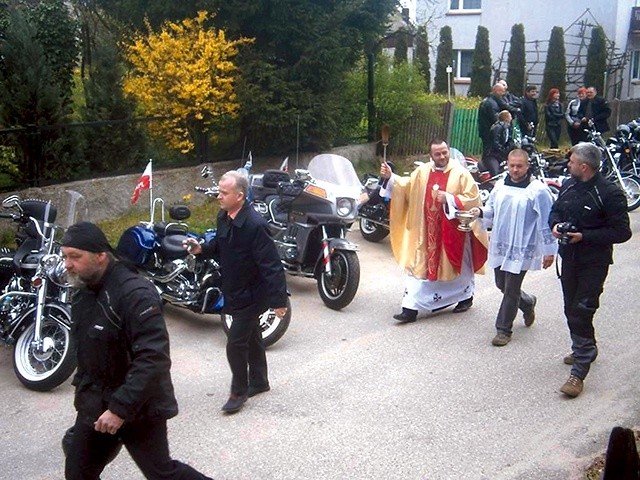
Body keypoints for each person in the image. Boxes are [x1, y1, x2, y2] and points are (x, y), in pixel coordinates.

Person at [61, 222, 212, 480]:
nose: (67, 264)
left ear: (101, 256)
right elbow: (88, 353)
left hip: (139, 407)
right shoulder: (84, 292)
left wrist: (119, 409)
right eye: (65, 256)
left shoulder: (136, 294)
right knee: (78, 473)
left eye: (75, 257)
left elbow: (153, 359)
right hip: (96, 404)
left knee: (161, 472)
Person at [184, 170, 288, 413]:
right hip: (233, 289)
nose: (218, 196)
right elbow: (221, 245)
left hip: (252, 294)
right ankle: (260, 381)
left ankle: (238, 392)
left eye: (223, 193)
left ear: (239, 196)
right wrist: (202, 249)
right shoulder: (225, 216)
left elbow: (271, 266)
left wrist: (278, 301)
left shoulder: (255, 225)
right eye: (219, 191)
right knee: (252, 337)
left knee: (235, 344)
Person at [549, 142, 631, 397]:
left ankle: (579, 372)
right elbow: (555, 211)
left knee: (582, 309)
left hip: (594, 262)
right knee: (570, 307)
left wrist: (584, 236)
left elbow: (622, 232)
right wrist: (555, 226)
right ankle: (585, 346)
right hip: (569, 259)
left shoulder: (610, 193)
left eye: (572, 161)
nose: (568, 164)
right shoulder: (569, 184)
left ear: (584, 166)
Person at [379, 139, 488, 323]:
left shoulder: (460, 173)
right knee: (419, 267)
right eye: (437, 154)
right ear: (431, 156)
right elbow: (406, 187)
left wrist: (451, 199)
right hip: (425, 231)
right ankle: (410, 308)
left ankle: (465, 297)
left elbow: (473, 199)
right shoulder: (422, 172)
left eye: (445, 152)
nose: (442, 156)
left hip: (453, 231)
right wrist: (391, 177)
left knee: (458, 267)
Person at [469, 149, 557, 346]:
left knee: (511, 288)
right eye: (512, 166)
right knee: (502, 284)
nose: (515, 170)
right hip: (501, 242)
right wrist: (480, 211)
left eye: (520, 166)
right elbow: (492, 208)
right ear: (506, 165)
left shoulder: (538, 190)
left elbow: (547, 220)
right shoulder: (500, 185)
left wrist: (549, 250)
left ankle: (503, 330)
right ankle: (527, 302)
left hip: (523, 245)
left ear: (527, 166)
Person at [482, 110, 515, 177]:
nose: (511, 118)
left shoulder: (507, 127)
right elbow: (495, 143)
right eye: (510, 116)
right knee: (495, 174)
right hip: (492, 155)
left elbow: (508, 140)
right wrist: (503, 150)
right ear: (506, 117)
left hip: (500, 155)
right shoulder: (497, 127)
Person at [478, 83, 508, 159]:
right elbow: (495, 118)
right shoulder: (492, 103)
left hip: (485, 130)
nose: (503, 94)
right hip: (489, 131)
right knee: (489, 151)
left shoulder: (488, 101)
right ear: (497, 91)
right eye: (502, 91)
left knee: (486, 149)